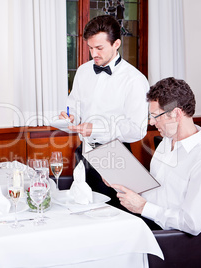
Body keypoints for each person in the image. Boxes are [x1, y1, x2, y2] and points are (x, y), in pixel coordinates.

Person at [106, 77, 201, 235]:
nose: (151, 122)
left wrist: (144, 207)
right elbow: (155, 193)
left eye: (156, 116)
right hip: (145, 223)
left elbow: (192, 223)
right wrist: (121, 181)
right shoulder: (166, 143)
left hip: (168, 238)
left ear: (176, 114)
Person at [59, 15, 149, 205]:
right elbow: (73, 104)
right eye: (90, 48)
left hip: (115, 157)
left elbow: (137, 129)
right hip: (83, 152)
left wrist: (96, 128)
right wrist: (70, 116)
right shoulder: (83, 72)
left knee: (113, 215)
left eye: (99, 48)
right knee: (82, 209)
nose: (94, 54)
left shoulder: (134, 80)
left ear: (116, 43)